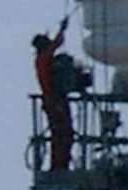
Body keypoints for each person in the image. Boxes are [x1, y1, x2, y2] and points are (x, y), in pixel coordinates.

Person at [32, 17, 74, 171]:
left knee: (61, 136)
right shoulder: (44, 59)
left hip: (54, 101)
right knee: (63, 136)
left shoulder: (41, 60)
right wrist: (62, 29)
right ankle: (60, 165)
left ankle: (59, 165)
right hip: (55, 102)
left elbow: (56, 45)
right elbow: (56, 45)